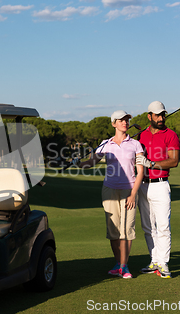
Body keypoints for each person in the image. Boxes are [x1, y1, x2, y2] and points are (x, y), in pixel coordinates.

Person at [75, 110, 144, 279]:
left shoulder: (135, 144)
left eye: (127, 120)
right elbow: (92, 162)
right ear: (114, 123)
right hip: (109, 189)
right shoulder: (105, 144)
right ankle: (118, 264)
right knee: (113, 230)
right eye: (121, 120)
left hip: (129, 190)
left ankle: (124, 266)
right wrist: (79, 163)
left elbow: (140, 171)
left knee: (127, 230)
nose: (125, 123)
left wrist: (134, 193)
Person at [136, 101, 180, 279]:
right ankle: (154, 260)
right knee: (148, 227)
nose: (161, 118)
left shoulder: (171, 135)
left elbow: (174, 161)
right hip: (143, 185)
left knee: (163, 226)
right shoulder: (140, 135)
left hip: (161, 184)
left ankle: (163, 263)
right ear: (149, 116)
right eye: (157, 115)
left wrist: (152, 164)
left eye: (163, 114)